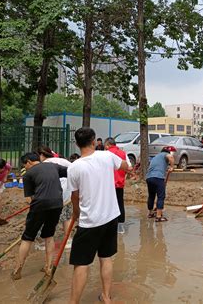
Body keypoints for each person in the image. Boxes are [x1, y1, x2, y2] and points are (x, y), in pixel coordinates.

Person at [67, 127, 129, 303]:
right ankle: (106, 297)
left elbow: (74, 196)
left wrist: (76, 214)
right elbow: (125, 166)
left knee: (81, 263)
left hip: (90, 221)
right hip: (110, 217)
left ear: (77, 144)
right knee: (106, 258)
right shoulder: (107, 156)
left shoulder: (74, 167)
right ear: (94, 141)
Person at [12, 152, 67, 280]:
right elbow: (72, 172)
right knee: (49, 235)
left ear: (29, 162)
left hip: (39, 205)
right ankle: (48, 267)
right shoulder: (54, 166)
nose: (25, 168)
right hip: (57, 204)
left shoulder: (28, 175)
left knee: (27, 237)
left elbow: (32, 198)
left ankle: (17, 270)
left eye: (24, 165)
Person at [37, 146, 73, 245]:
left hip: (52, 195)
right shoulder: (63, 160)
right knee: (67, 217)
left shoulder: (44, 165)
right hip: (67, 193)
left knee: (47, 217)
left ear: (42, 155)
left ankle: (44, 242)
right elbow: (74, 171)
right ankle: (68, 240)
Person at [104, 137, 132, 233]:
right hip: (119, 183)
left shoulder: (106, 154)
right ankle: (120, 227)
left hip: (108, 184)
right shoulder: (123, 153)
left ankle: (109, 226)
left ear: (107, 145)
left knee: (108, 204)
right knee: (120, 203)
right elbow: (129, 167)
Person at [146, 147, 174, 222]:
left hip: (149, 178)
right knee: (161, 196)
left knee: (151, 196)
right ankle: (158, 216)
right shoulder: (165, 154)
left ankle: (150, 213)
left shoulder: (156, 157)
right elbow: (170, 157)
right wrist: (172, 167)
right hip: (158, 177)